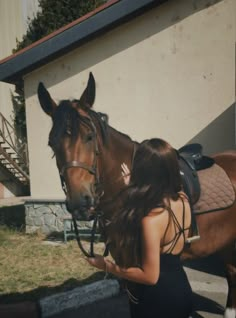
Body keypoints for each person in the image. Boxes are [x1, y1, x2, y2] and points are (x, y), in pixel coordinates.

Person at [86, 138, 193, 318]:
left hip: (157, 302)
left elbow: (150, 276)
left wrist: (106, 266)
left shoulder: (151, 220)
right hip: (182, 291)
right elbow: (155, 201)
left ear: (143, 171)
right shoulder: (183, 200)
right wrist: (132, 189)